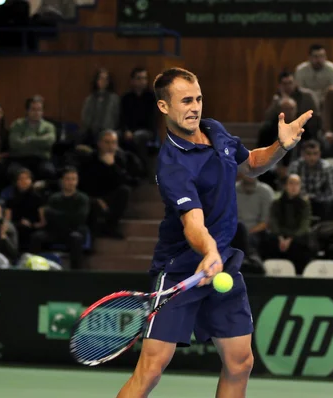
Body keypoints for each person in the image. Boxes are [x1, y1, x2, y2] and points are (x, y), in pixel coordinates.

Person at [116, 67, 312, 397]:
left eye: (199, 99)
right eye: (186, 101)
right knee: (151, 369)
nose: (195, 107)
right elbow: (192, 221)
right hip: (180, 271)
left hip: (222, 264)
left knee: (240, 362)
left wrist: (281, 146)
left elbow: (251, 164)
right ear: (164, 107)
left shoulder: (214, 130)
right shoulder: (172, 164)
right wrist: (208, 252)